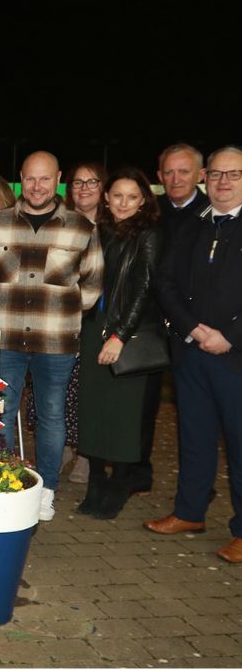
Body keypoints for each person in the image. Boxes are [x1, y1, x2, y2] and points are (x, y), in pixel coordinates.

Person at [0, 151, 103, 521]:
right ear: (20, 179)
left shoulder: (81, 228)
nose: (36, 186)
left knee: (50, 416)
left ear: (58, 179)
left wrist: (60, 312)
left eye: (44, 179)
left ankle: (46, 489)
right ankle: (5, 481)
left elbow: (93, 286)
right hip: (6, 339)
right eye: (30, 179)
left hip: (56, 342)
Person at [147, 146, 242, 565]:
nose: (223, 182)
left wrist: (230, 337)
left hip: (234, 356)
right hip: (191, 352)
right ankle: (189, 512)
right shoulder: (194, 224)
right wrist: (192, 328)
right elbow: (164, 282)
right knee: (195, 437)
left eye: (233, 174)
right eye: (217, 174)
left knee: (239, 446)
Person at [75, 168, 163, 520]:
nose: (124, 202)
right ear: (106, 198)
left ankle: (120, 484)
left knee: (125, 416)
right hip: (93, 327)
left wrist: (120, 336)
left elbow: (143, 290)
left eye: (132, 196)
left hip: (126, 334)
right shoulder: (98, 231)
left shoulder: (149, 235)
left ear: (143, 201)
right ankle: (96, 480)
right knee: (94, 410)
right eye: (117, 195)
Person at [132, 143, 210, 495]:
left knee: (196, 414)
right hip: (151, 323)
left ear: (200, 175)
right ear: (159, 176)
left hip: (195, 327)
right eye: (169, 172)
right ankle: (138, 472)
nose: (175, 179)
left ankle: (198, 486)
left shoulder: (213, 213)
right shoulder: (152, 212)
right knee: (143, 405)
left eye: (184, 171)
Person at [24, 161, 107, 486]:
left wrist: (68, 313)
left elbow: (94, 281)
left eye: (91, 182)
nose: (84, 188)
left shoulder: (100, 225)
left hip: (76, 326)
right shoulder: (48, 222)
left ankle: (81, 456)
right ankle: (63, 455)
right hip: (35, 332)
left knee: (65, 404)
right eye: (78, 183)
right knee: (56, 404)